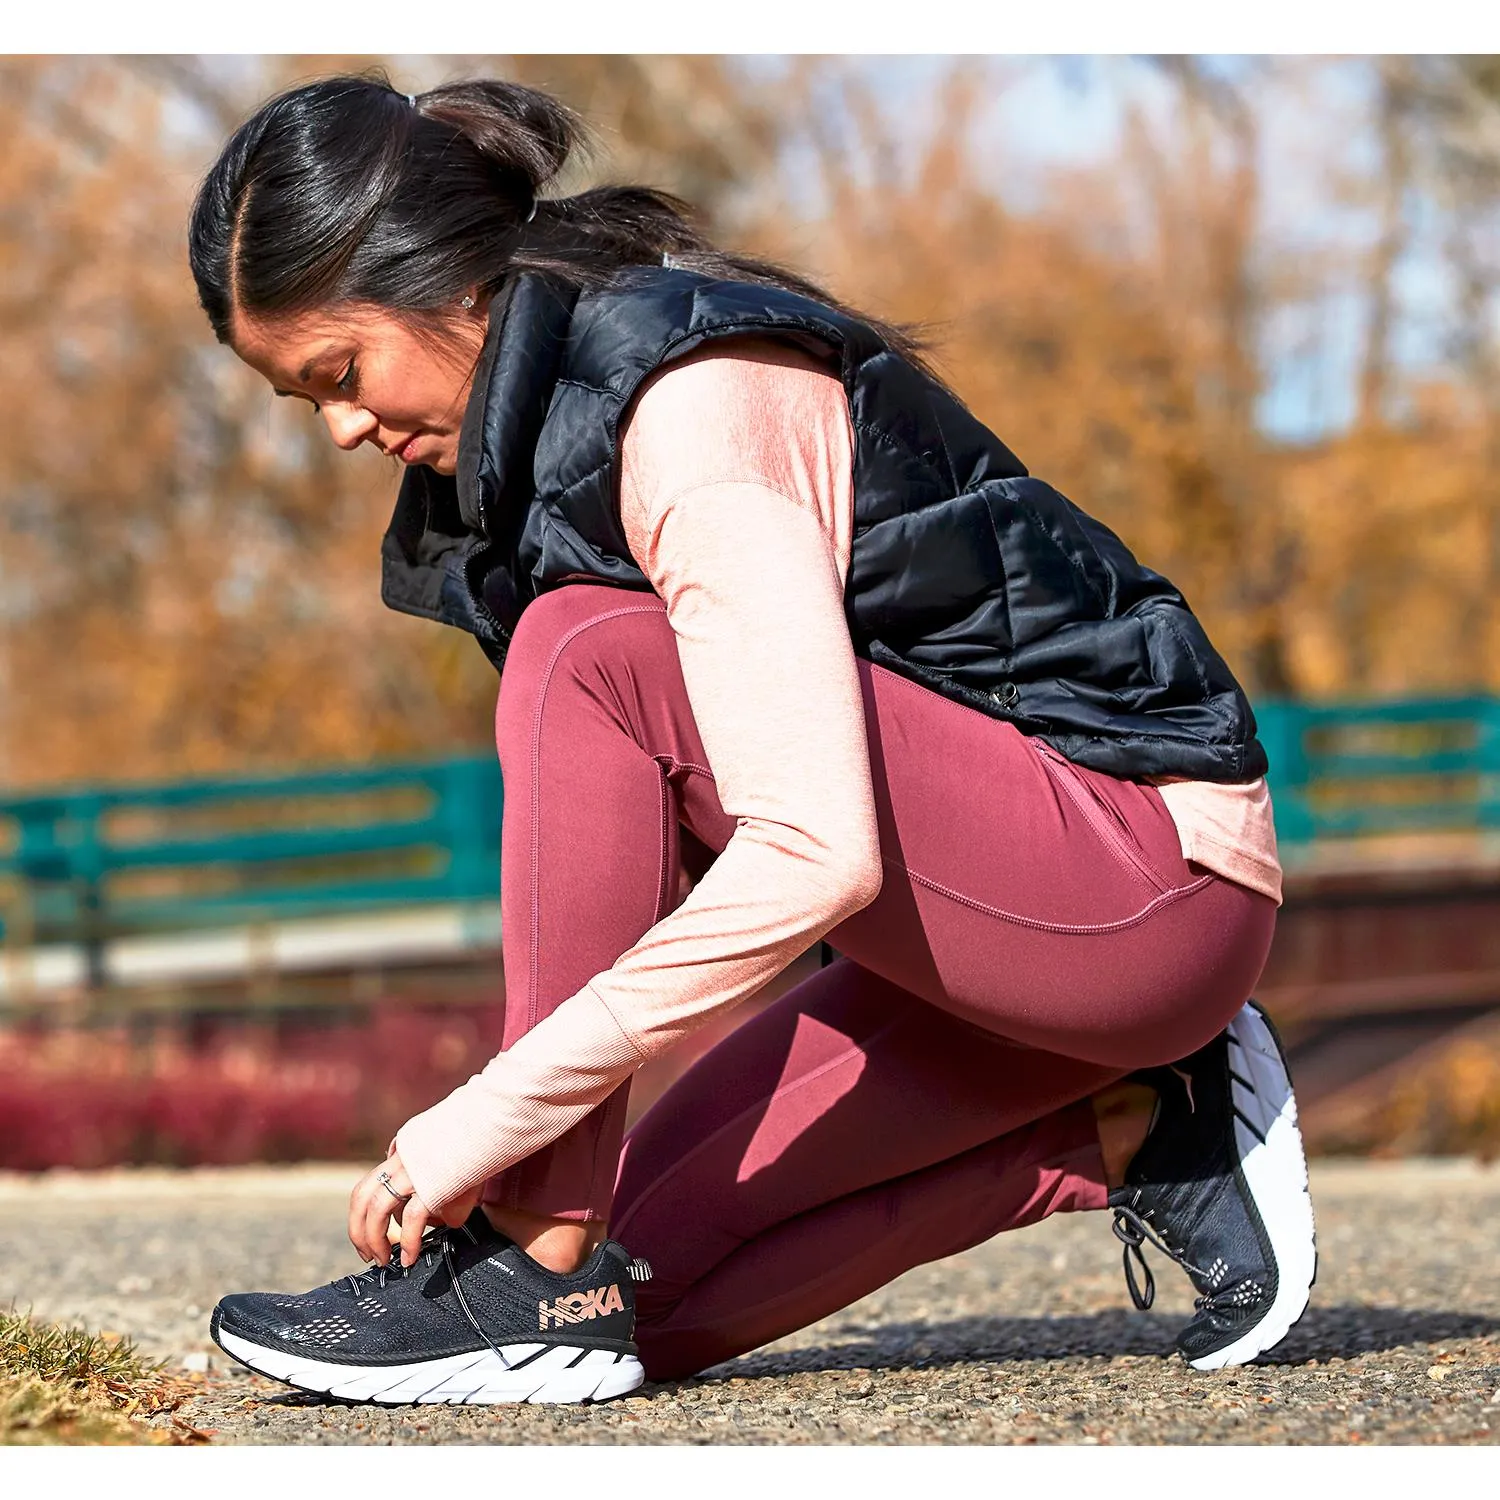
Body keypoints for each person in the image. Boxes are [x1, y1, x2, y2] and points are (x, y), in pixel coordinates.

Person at [189, 73, 1316, 1408]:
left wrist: (497, 1115)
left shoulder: (685, 409)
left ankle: (528, 1258)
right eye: (298, 400)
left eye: (339, 372)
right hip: (974, 940)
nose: (340, 430)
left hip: (1138, 880)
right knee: (619, 1323)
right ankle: (1140, 1128)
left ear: (445, 282)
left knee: (583, 655)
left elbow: (809, 851)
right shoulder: (544, 440)